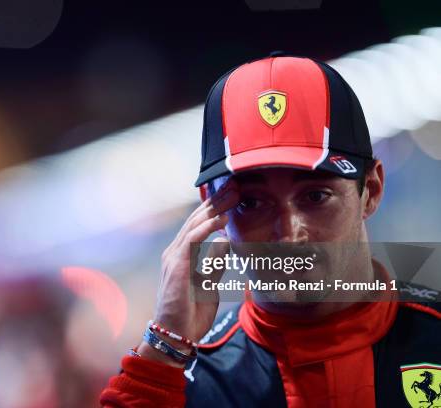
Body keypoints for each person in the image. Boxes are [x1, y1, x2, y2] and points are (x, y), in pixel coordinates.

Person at [99, 53, 441, 408]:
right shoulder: (184, 382)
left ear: (370, 190)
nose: (289, 235)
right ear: (210, 206)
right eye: (251, 203)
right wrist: (164, 349)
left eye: (315, 196)